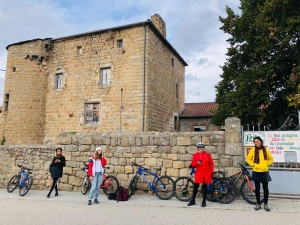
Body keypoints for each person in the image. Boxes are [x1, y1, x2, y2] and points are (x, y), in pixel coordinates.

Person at [246, 136, 274, 211]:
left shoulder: (265, 150)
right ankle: (258, 204)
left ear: (261, 141)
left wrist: (267, 163)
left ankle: (266, 204)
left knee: (265, 189)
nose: (256, 143)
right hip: (256, 171)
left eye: (258, 141)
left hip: (264, 171)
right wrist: (253, 164)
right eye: (255, 142)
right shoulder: (253, 150)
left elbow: (271, 158)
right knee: (257, 189)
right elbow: (248, 159)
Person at [187, 142, 214, 207]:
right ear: (198, 149)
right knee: (196, 187)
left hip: (206, 173)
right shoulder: (195, 155)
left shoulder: (208, 155)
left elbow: (211, 164)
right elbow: (193, 164)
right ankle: (193, 200)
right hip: (199, 173)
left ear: (204, 148)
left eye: (202, 148)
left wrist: (211, 172)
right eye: (200, 149)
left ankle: (204, 201)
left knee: (204, 187)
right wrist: (198, 163)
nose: (201, 150)